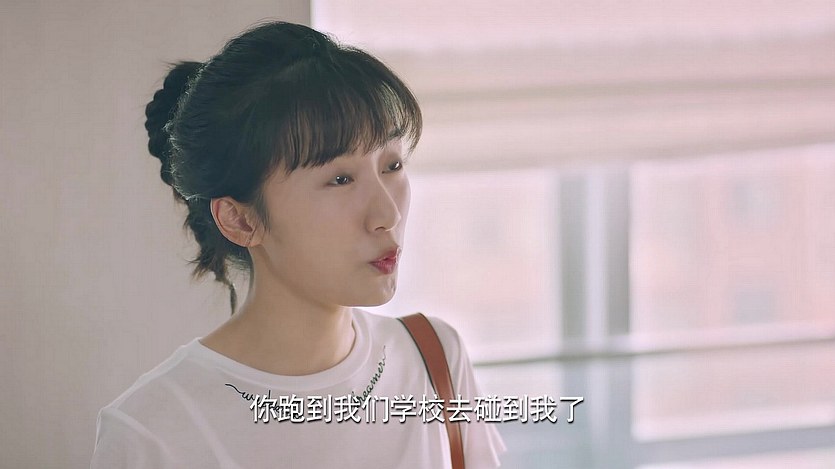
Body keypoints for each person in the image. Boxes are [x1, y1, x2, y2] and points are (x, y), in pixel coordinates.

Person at [90, 20, 506, 468]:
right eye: (340, 179)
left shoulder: (434, 359)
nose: (388, 215)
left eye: (392, 165)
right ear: (240, 220)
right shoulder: (154, 432)